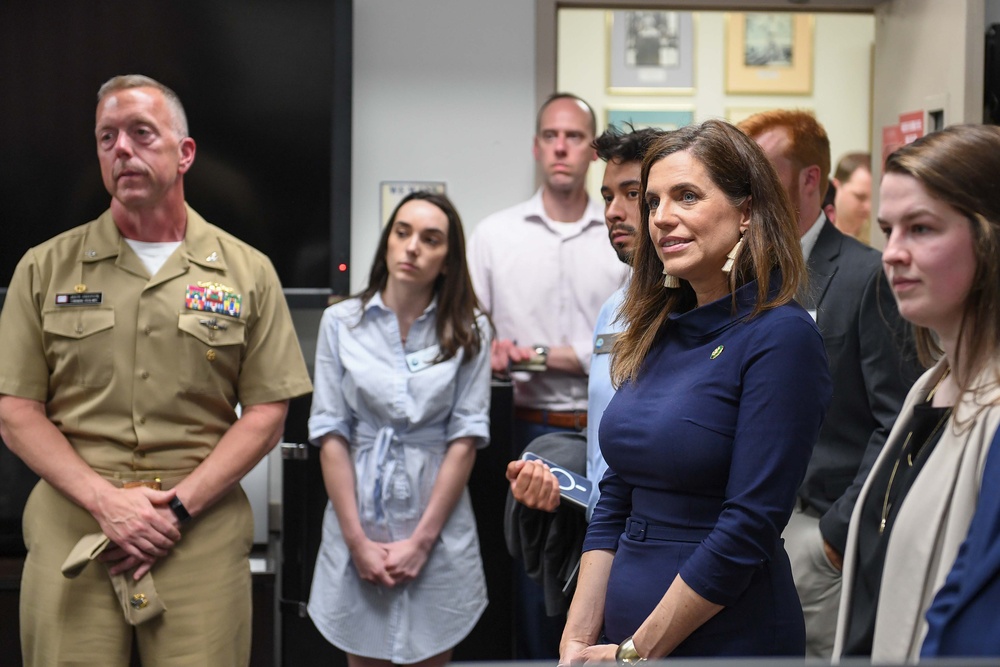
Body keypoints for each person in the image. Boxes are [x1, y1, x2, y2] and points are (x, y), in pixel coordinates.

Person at [0, 74, 312, 666]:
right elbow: (16, 412)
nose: (123, 149)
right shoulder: (44, 269)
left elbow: (268, 414)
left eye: (142, 133)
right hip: (77, 524)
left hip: (195, 531)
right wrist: (105, 501)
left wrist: (178, 507)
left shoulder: (247, 272)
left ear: (185, 153)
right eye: (107, 138)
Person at [559, 120, 831, 663]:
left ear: (747, 211)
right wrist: (577, 640)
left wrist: (634, 653)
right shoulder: (657, 326)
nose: (662, 218)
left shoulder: (781, 336)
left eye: (687, 196)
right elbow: (616, 492)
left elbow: (748, 525)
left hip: (725, 640)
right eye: (654, 201)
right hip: (621, 638)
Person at [739, 110, 919, 658]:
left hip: (817, 533)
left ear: (810, 180)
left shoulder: (868, 276)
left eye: (764, 175)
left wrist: (837, 537)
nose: (750, 194)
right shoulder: (740, 274)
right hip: (746, 533)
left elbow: (899, 418)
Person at [832, 124, 1000, 662]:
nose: (892, 253)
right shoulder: (929, 389)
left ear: (989, 237)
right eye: (887, 229)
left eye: (921, 229)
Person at [467, 93, 626, 658]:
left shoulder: (623, 233)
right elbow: (473, 337)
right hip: (527, 430)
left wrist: (548, 354)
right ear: (538, 148)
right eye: (552, 136)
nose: (562, 146)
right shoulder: (495, 236)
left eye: (575, 136)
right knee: (536, 580)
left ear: (592, 149)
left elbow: (633, 336)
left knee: (614, 574)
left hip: (613, 425)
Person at [306, 191, 492, 667]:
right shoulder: (339, 323)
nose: (412, 248)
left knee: (433, 650)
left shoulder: (469, 329)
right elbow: (330, 435)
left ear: (447, 260)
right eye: (402, 233)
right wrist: (358, 544)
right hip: (358, 515)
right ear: (387, 242)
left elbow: (465, 439)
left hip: (438, 521)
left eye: (430, 240)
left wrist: (420, 543)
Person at [505, 125, 662, 519]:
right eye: (608, 196)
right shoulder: (613, 309)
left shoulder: (698, 305)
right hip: (603, 535)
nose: (612, 211)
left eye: (632, 195)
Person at [831, 152, 872, 242]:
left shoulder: (881, 240)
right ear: (836, 187)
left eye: (874, 199)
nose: (869, 207)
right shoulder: (814, 234)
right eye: (860, 197)